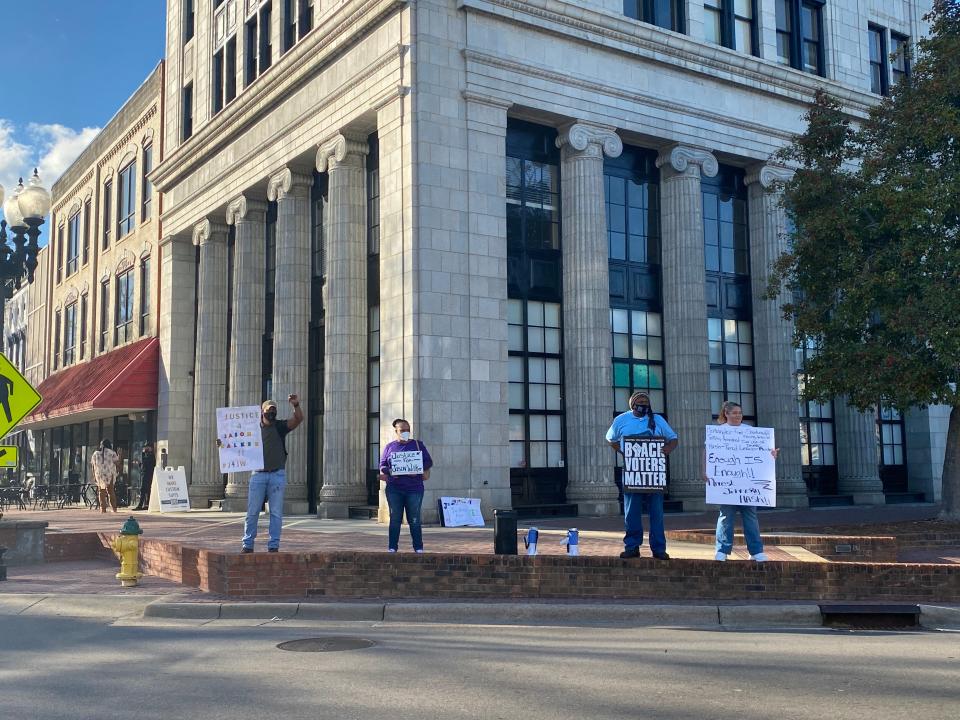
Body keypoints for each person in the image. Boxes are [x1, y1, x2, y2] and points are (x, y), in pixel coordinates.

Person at [606, 391, 678, 560]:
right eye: (640, 401)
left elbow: (673, 438)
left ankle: (659, 548)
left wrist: (667, 449)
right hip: (633, 473)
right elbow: (610, 438)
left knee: (657, 512)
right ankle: (632, 546)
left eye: (646, 401)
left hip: (654, 473)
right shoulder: (621, 420)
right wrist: (622, 450)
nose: (643, 404)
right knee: (631, 512)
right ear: (632, 404)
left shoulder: (658, 420)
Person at [705, 400, 779, 563]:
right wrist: (705, 470)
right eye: (734, 413)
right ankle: (722, 550)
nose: (738, 415)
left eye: (740, 412)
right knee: (725, 516)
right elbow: (708, 452)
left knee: (751, 517)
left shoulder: (750, 431)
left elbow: (763, 454)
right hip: (727, 483)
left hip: (748, 485)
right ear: (726, 414)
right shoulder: (718, 433)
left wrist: (772, 454)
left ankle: (756, 551)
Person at [241, 395, 303, 553]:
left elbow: (298, 419)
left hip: (277, 474)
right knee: (252, 511)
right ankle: (248, 544)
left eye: (274, 410)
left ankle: (273, 545)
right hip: (258, 475)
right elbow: (234, 442)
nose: (272, 413)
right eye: (269, 410)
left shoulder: (280, 427)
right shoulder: (253, 429)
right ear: (262, 412)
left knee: (275, 512)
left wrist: (295, 405)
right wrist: (221, 444)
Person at [379, 418, 433, 553]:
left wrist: (418, 469)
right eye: (402, 430)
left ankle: (418, 548)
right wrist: (391, 471)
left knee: (414, 519)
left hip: (414, 488)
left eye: (408, 430)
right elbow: (383, 465)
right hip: (394, 488)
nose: (405, 432)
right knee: (395, 518)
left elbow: (428, 462)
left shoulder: (417, 445)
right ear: (396, 431)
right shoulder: (390, 447)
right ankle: (392, 547)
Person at [90, 439, 121, 513]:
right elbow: (117, 463)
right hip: (109, 474)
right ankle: (114, 508)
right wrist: (120, 455)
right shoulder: (112, 452)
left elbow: (93, 465)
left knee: (101, 492)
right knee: (110, 491)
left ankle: (103, 509)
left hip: (100, 475)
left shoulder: (95, 453)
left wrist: (94, 475)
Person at [134, 444, 156, 511]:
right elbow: (143, 465)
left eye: (146, 448)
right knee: (143, 490)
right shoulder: (146, 455)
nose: (145, 449)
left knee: (145, 490)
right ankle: (143, 504)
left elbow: (147, 463)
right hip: (144, 474)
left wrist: (143, 454)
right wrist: (139, 464)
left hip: (148, 474)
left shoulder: (151, 455)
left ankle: (145, 504)